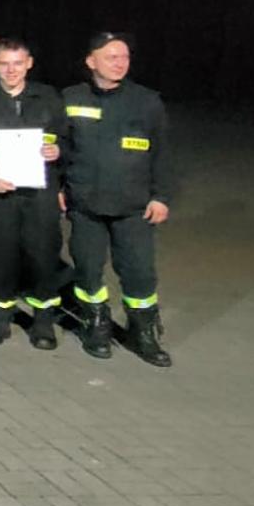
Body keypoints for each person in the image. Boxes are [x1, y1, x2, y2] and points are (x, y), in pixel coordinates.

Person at [60, 33, 174, 367]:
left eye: (123, 56)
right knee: (88, 268)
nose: (119, 63)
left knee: (139, 272)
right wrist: (57, 187)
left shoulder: (146, 101)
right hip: (85, 204)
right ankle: (95, 324)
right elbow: (59, 150)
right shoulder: (71, 98)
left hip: (133, 206)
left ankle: (144, 332)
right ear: (90, 61)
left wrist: (161, 196)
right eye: (110, 57)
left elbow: (162, 154)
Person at [0, 38, 70, 348]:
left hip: (39, 194)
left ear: (29, 63)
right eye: (4, 63)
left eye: (17, 63)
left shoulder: (48, 98)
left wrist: (58, 150)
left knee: (42, 256)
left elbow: (69, 141)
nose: (11, 70)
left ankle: (44, 321)